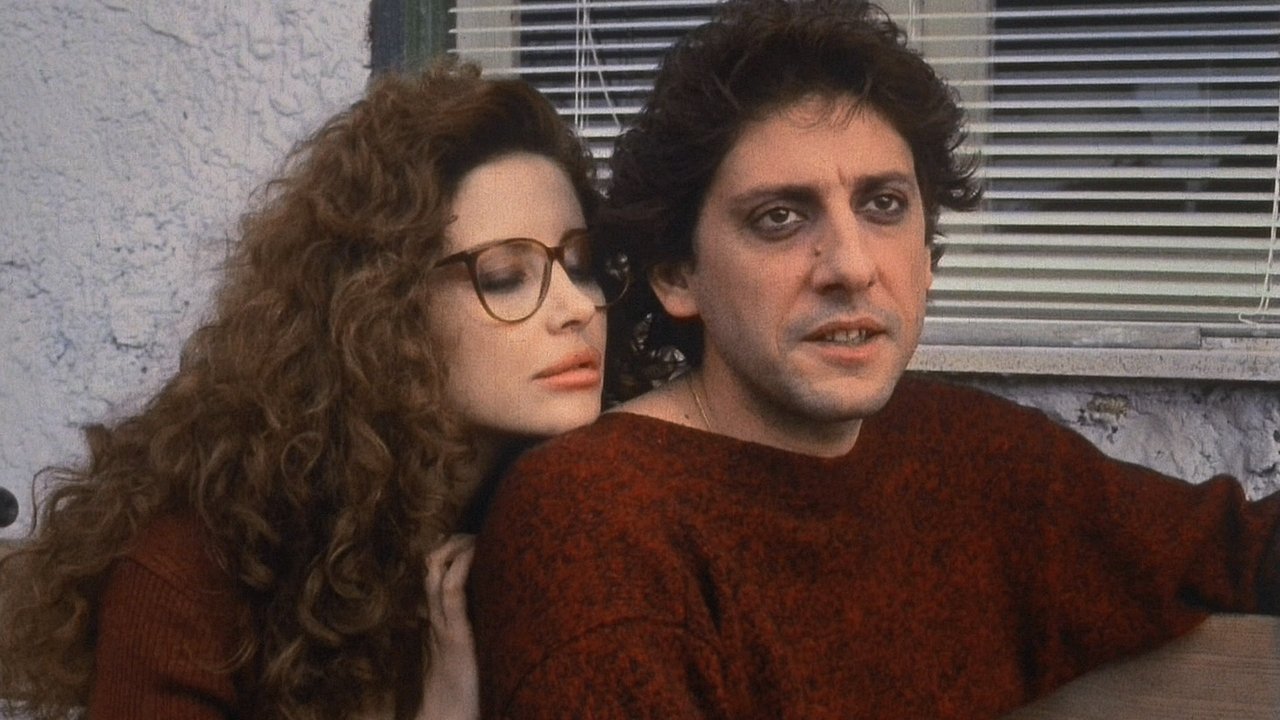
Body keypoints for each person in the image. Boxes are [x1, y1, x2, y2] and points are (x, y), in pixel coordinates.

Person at [467, 1, 1280, 718]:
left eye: (883, 205)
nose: (851, 266)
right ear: (678, 274)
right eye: (781, 217)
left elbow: (1233, 552)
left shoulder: (963, 455)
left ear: (927, 256)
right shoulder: (595, 520)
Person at [0, 60, 623, 720]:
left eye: (581, 265)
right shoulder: (193, 571)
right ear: (386, 309)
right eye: (504, 276)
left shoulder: (562, 521)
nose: (577, 307)